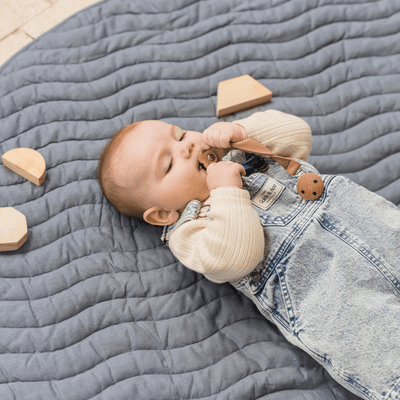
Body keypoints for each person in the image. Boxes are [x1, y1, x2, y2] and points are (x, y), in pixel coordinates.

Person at [96, 110, 400, 400]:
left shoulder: (239, 151)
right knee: (385, 354)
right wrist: (226, 191)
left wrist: (243, 132)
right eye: (168, 164)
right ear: (163, 213)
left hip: (372, 227)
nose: (187, 147)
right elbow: (235, 258)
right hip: (332, 294)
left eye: (179, 135)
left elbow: (299, 136)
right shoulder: (191, 230)